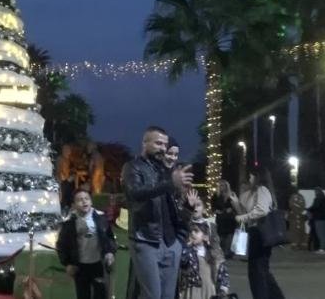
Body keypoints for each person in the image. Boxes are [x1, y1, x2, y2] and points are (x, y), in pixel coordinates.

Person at [122, 126, 193, 299]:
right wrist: (170, 182)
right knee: (152, 295)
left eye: (165, 144)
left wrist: (188, 208)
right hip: (146, 240)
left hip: (170, 243)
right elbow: (136, 194)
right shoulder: (133, 167)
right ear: (145, 143)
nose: (163, 148)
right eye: (158, 143)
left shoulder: (164, 170)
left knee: (168, 296)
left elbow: (172, 208)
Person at [230, 166, 285, 299]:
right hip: (255, 233)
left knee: (257, 271)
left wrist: (242, 218)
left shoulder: (262, 190)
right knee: (261, 270)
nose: (249, 178)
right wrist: (236, 203)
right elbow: (247, 213)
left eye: (251, 175)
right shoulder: (254, 192)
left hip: (261, 234)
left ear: (258, 176)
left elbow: (262, 211)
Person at [57, 189, 117, 299]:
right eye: (80, 200)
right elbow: (61, 245)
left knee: (101, 294)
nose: (84, 202)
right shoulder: (70, 223)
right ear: (74, 205)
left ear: (91, 202)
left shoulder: (100, 218)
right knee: (83, 294)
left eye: (86, 199)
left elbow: (109, 238)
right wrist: (67, 263)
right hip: (80, 267)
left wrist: (109, 252)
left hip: (98, 264)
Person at [179, 222, 229, 299]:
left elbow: (223, 275)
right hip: (190, 293)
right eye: (191, 231)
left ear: (206, 237)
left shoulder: (214, 255)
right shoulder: (188, 252)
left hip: (208, 293)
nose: (192, 233)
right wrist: (187, 246)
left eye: (196, 231)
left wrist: (223, 291)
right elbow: (182, 261)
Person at [213, 180, 237, 259]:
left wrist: (232, 209)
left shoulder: (231, 195)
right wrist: (216, 210)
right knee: (221, 236)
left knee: (230, 236)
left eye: (223, 185)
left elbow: (236, 205)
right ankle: (222, 252)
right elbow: (213, 206)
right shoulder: (216, 195)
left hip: (230, 218)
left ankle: (229, 253)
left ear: (227, 186)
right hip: (221, 218)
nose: (222, 187)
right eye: (220, 185)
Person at [306, 187, 325, 254]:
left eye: (315, 192)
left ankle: (323, 249)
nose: (315, 193)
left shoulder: (318, 199)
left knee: (321, 234)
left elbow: (315, 207)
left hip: (319, 219)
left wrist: (308, 209)